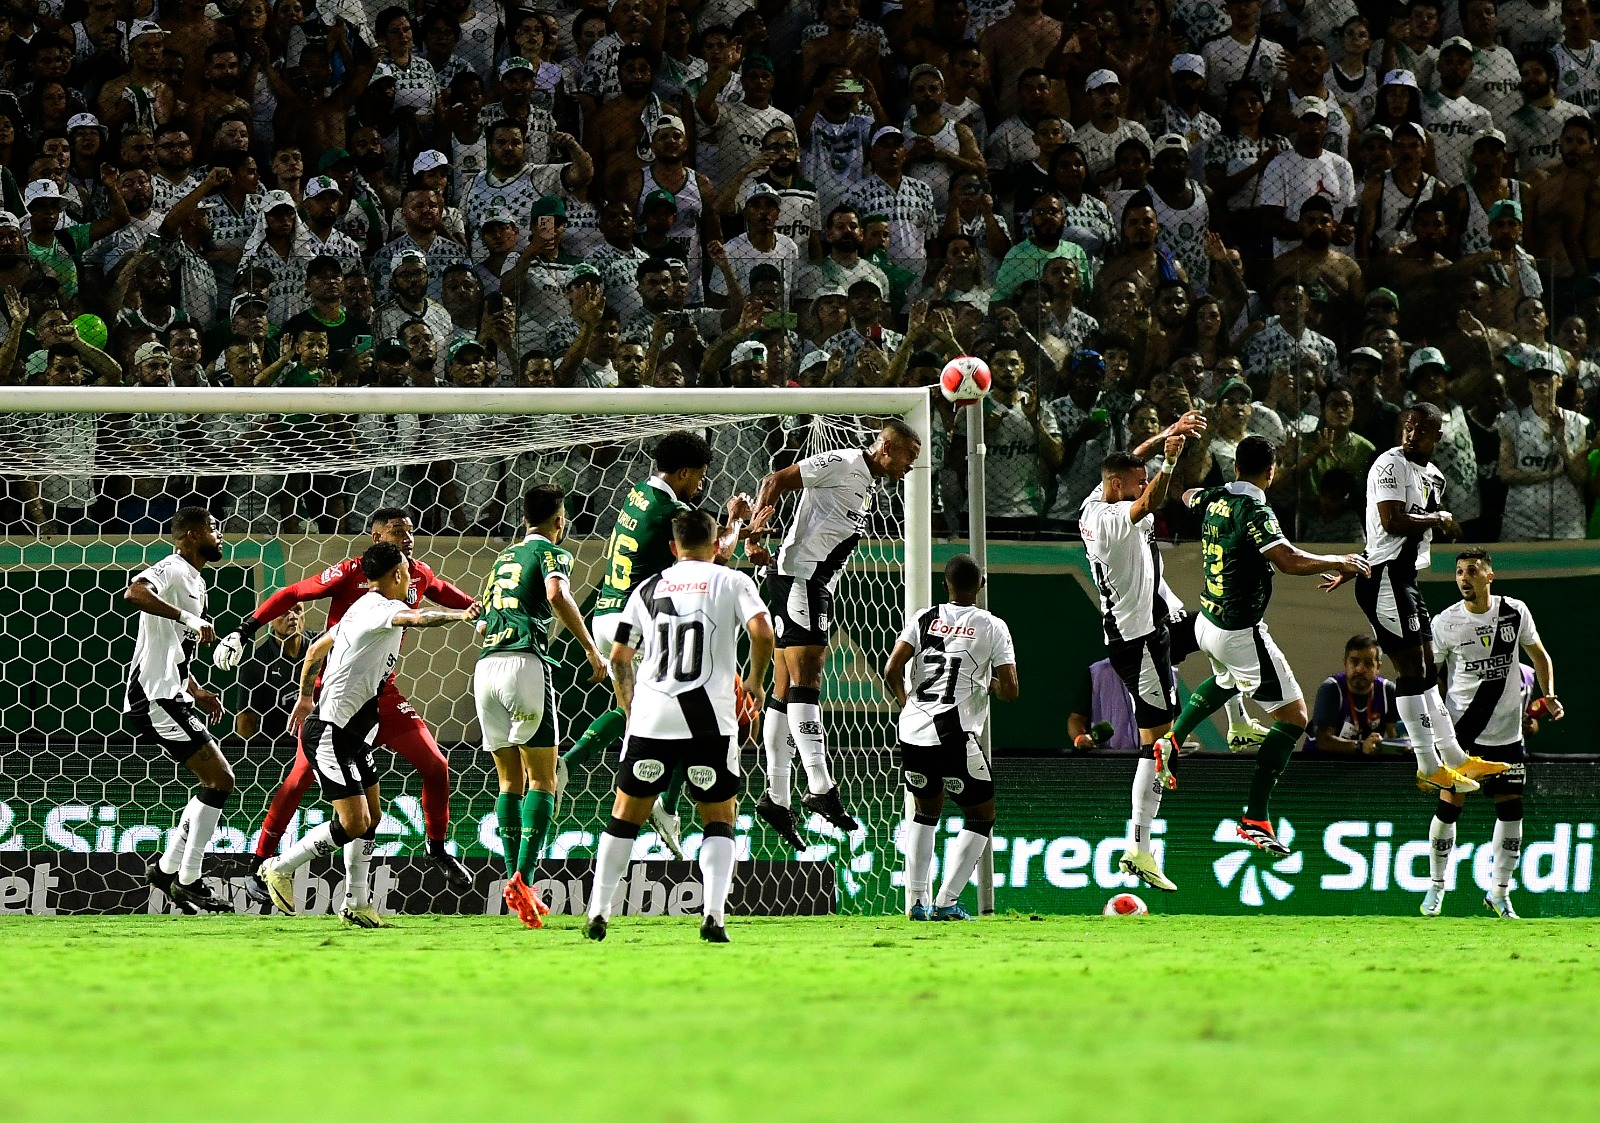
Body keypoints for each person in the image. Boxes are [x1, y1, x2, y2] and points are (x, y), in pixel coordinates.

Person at [214, 509, 479, 898]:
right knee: (300, 780)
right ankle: (261, 863)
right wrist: (246, 629)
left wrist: (483, 613)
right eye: (396, 531)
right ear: (376, 538)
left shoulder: (417, 574)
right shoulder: (352, 573)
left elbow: (455, 598)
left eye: (410, 530)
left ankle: (435, 850)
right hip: (337, 697)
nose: (407, 537)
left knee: (436, 765)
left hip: (382, 696)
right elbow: (292, 594)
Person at [1162, 436, 1370, 855]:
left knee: (1225, 683)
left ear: (1235, 466)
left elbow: (1186, 494)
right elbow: (1288, 560)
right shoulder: (1255, 508)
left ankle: (1172, 740)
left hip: (1207, 622)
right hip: (1241, 632)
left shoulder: (1215, 497)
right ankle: (1255, 816)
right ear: (1271, 472)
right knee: (1294, 718)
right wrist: (1339, 559)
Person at [562, 432, 760, 857]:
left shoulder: (637, 493)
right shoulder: (669, 510)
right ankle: (664, 803)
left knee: (648, 707)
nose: (702, 484)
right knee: (688, 699)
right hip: (640, 619)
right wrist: (736, 521)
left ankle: (572, 765)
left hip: (608, 615)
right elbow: (715, 555)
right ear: (685, 472)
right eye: (701, 476)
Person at [584, 509, 774, 943]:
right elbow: (763, 632)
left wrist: (629, 707)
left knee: (624, 817)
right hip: (710, 719)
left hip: (654, 715)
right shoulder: (732, 581)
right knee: (719, 818)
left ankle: (598, 911)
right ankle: (713, 915)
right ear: (715, 546)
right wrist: (754, 683)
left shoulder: (647, 588)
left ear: (673, 547)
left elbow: (618, 658)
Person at [1326, 404, 1513, 797]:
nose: (1411, 435)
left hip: (1404, 578)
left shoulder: (1434, 477)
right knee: (1412, 673)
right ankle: (1428, 766)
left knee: (1428, 671)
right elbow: (1392, 521)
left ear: (1436, 437)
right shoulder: (1389, 465)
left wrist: (1359, 559)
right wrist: (1438, 518)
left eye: (1421, 430)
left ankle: (1456, 757)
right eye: (1408, 428)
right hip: (1386, 579)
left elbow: (1384, 534)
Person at [752, 419, 921, 843]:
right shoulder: (844, 463)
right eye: (909, 456)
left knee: (784, 687)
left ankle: (776, 796)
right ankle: (819, 786)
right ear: (885, 447)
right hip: (803, 580)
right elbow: (777, 478)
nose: (911, 466)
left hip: (802, 580)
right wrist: (757, 524)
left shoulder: (867, 484)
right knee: (807, 681)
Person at [475, 484, 607, 929]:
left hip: (484, 670)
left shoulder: (503, 558)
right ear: (558, 520)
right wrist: (591, 649)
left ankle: (513, 881)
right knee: (544, 778)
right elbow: (556, 595)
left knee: (509, 780)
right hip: (525, 665)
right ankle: (525, 880)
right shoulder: (553, 552)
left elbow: (482, 618)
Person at [1081, 434, 1193, 894]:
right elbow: (1149, 501)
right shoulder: (1109, 518)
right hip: (1138, 640)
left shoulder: (1097, 496)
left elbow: (1133, 463)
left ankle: (1238, 717)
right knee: (1159, 746)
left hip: (1154, 627)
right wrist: (1168, 465)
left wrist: (1166, 435)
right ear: (1116, 485)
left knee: (1225, 629)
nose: (1144, 485)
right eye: (1137, 482)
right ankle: (1140, 847)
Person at [1426, 548, 1563, 919]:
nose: (1463, 577)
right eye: (1458, 572)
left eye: (1471, 570)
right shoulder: (1445, 622)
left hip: (1507, 735)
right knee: (1448, 807)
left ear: (1489, 576)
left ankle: (1499, 892)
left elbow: (1540, 656)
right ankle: (1436, 887)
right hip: (1463, 733)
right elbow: (1430, 679)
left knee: (1512, 811)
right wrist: (1434, 728)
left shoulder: (1514, 612)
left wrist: (1548, 695)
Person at [884, 553, 1018, 921]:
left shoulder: (923, 618)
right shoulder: (993, 626)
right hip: (953, 730)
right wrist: (986, 683)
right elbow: (1010, 690)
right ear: (981, 585)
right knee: (981, 815)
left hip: (912, 729)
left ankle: (915, 901)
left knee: (925, 813)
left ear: (946, 585)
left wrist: (906, 705)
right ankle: (945, 902)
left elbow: (892, 668)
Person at [126, 507, 232, 914]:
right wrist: (188, 615)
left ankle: (168, 870)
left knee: (216, 781)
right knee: (221, 778)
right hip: (153, 695)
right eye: (212, 527)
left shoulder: (197, 581)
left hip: (174, 691)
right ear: (189, 534)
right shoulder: (171, 567)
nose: (219, 533)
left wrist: (198, 690)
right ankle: (188, 879)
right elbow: (134, 592)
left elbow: (175, 651)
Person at [1305, 635, 1398, 754]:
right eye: (1354, 662)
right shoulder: (1331, 689)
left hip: (1364, 768)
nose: (1360, 669)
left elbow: (1397, 739)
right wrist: (1361, 746)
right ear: (1345, 663)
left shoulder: (1388, 691)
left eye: (1368, 663)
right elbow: (1323, 741)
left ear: (1378, 667)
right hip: (1321, 765)